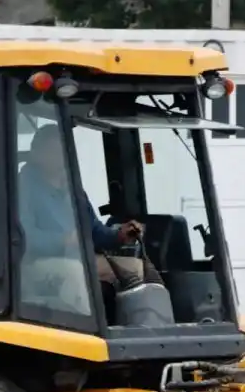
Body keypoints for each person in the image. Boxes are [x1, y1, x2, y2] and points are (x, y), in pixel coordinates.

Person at [17, 123, 163, 308]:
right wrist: (63, 241)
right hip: (33, 265)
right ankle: (80, 325)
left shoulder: (73, 189)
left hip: (78, 258)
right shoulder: (22, 187)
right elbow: (23, 238)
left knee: (137, 268)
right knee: (75, 272)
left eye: (62, 151)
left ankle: (145, 321)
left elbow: (93, 230)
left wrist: (120, 235)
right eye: (53, 151)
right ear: (36, 153)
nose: (60, 157)